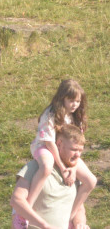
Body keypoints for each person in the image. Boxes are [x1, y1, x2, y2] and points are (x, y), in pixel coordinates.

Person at [26, 79, 96, 209]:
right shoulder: (50, 114)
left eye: (78, 101)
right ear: (62, 98)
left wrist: (73, 168)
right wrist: (63, 168)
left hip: (67, 150)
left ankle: (71, 216)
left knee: (91, 181)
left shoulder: (76, 117)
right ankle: (27, 207)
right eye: (71, 100)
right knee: (46, 167)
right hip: (45, 147)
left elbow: (78, 145)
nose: (75, 105)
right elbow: (49, 143)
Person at [11, 125, 92, 229]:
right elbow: (17, 200)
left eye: (80, 151)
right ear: (59, 144)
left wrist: (79, 223)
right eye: (74, 149)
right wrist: (44, 226)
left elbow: (79, 209)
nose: (78, 155)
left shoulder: (73, 173)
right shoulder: (36, 167)